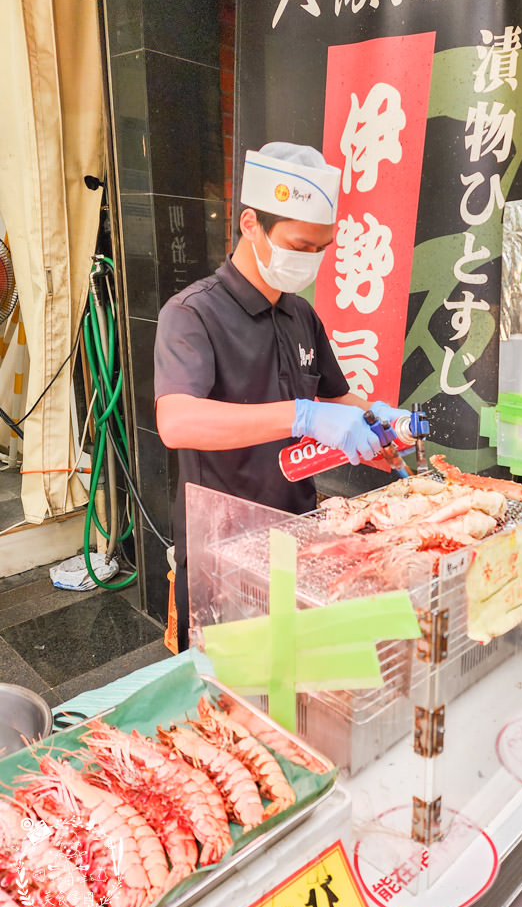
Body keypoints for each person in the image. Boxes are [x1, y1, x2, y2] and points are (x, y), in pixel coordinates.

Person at [154, 142, 407, 651]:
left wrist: (377, 420)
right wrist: (300, 415)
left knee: (292, 688)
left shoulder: (300, 316)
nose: (310, 260)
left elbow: (334, 401)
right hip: (221, 549)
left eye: (321, 249)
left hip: (297, 535)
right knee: (223, 697)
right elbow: (176, 421)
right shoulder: (192, 313)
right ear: (251, 224)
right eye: (298, 245)